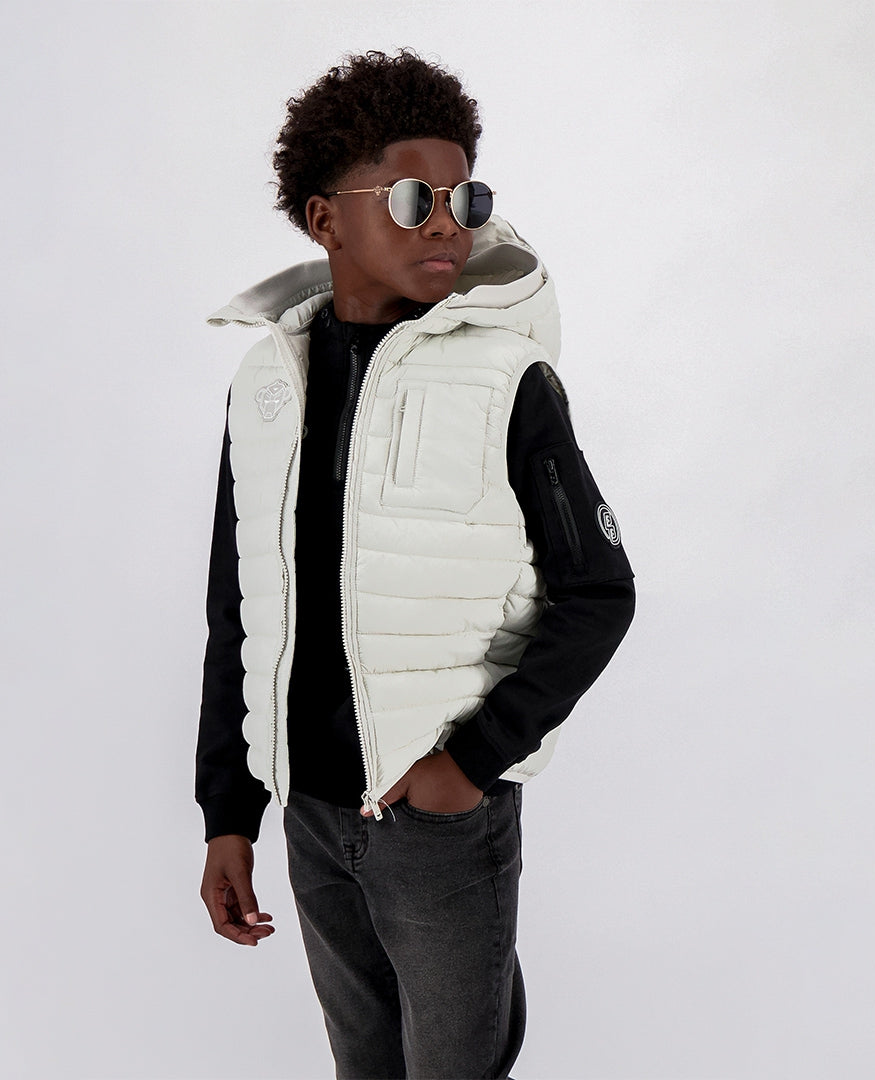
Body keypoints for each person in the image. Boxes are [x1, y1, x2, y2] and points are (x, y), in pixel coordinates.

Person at [196, 49, 635, 1080]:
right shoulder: (264, 388)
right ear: (326, 220)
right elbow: (238, 610)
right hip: (309, 815)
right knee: (364, 1064)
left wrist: (467, 767)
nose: (447, 224)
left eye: (464, 198)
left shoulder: (507, 380)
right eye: (411, 198)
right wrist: (229, 814)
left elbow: (599, 594)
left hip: (436, 818)